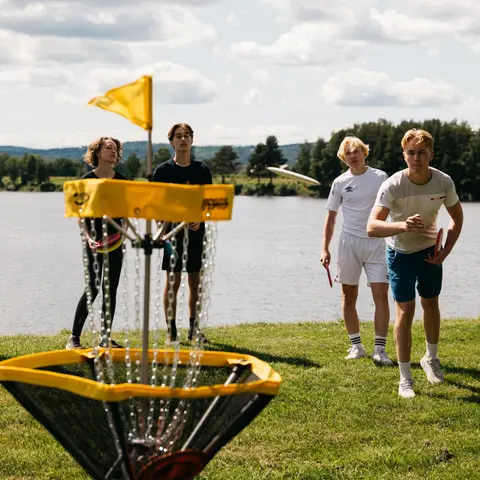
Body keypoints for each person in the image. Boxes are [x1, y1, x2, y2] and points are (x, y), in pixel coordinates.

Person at [367, 128, 463, 398]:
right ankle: (405, 378)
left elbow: (457, 217)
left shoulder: (443, 182)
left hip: (430, 252)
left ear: (431, 154)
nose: (416, 158)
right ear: (404, 155)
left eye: (422, 152)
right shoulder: (394, 185)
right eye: (411, 153)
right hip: (399, 255)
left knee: (431, 303)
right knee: (405, 312)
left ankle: (430, 359)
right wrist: (401, 225)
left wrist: (445, 250)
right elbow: (372, 227)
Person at [320, 135, 392, 365]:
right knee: (348, 295)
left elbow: (394, 207)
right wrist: (324, 248)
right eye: (347, 153)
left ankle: (380, 350)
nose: (352, 156)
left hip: (377, 242)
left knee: (381, 294)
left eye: (355, 151)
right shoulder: (340, 183)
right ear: (343, 157)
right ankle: (356, 346)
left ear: (364, 153)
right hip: (348, 243)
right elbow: (331, 218)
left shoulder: (381, 177)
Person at [152, 123, 213, 343]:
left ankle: (194, 329)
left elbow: (209, 204)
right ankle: (171, 331)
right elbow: (155, 205)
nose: (183, 139)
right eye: (178, 136)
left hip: (196, 232)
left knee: (195, 281)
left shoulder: (202, 170)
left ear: (192, 140)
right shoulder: (163, 171)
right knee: (173, 281)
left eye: (187, 135)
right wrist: (163, 228)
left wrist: (200, 218)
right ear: (172, 142)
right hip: (171, 234)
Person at [66, 137, 128, 349]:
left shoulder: (123, 181)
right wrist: (88, 238)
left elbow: (126, 214)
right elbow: (79, 215)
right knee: (93, 288)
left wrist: (124, 234)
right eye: (108, 148)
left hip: (116, 243)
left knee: (110, 290)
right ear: (97, 152)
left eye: (115, 149)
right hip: (93, 243)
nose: (113, 151)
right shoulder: (86, 181)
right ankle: (74, 339)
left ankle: (105, 339)